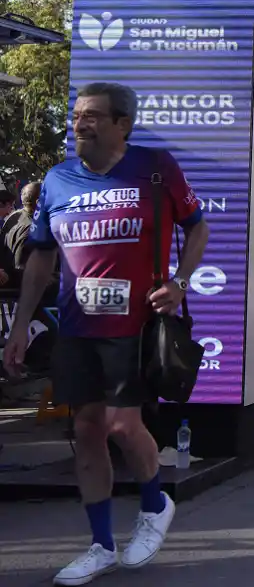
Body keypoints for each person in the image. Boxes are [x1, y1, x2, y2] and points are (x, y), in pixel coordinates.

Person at [2, 82, 209, 584]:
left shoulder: (155, 168)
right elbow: (42, 257)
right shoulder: (57, 180)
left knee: (120, 426)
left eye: (93, 115)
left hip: (134, 325)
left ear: (123, 125)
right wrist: (21, 326)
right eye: (76, 115)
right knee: (87, 430)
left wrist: (180, 283)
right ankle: (100, 545)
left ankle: (155, 505)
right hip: (75, 326)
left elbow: (198, 228)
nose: (80, 123)